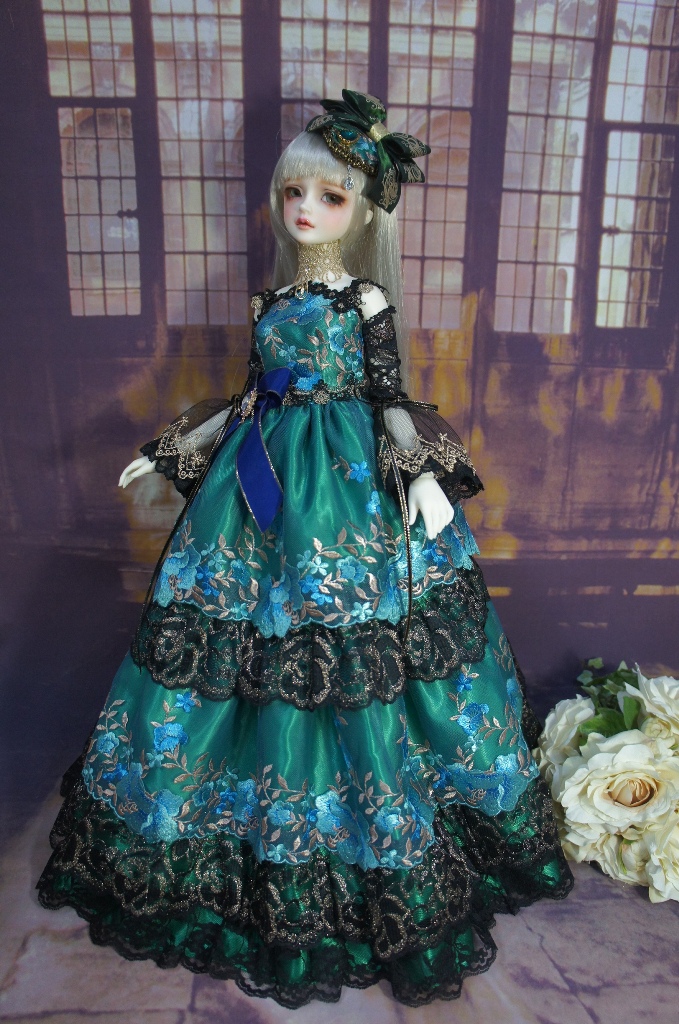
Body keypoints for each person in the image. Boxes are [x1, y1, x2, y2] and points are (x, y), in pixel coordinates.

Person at [37, 90, 573, 1008]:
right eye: (294, 193)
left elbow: (389, 397)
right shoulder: (271, 300)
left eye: (328, 196)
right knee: (241, 638)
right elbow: (250, 395)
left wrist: (423, 476)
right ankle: (227, 820)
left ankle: (370, 834)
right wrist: (172, 448)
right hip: (262, 476)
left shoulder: (364, 300)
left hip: (346, 486)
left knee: (348, 641)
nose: (304, 210)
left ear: (363, 211)